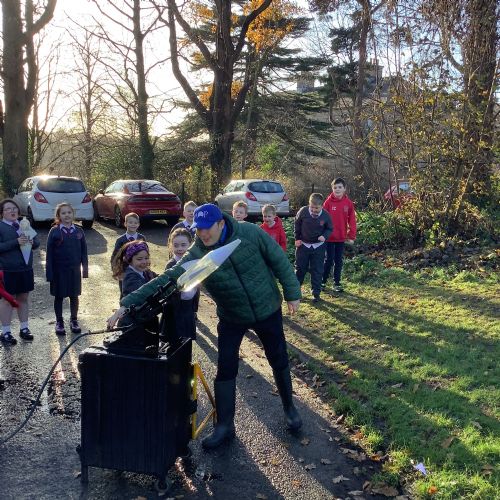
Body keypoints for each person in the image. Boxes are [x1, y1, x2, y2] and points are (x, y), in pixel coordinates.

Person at [107, 203, 302, 449]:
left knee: (278, 358)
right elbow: (168, 278)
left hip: (266, 307)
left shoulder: (250, 233)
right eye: (199, 229)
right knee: (226, 367)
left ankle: (290, 409)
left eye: (208, 228)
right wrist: (126, 305)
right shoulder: (197, 252)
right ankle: (225, 426)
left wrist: (292, 292)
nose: (203, 234)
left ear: (221, 223)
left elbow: (279, 260)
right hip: (232, 315)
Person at [0, 199, 40, 344]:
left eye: (14, 208)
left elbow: (37, 243)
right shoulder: (1, 227)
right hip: (7, 270)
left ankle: (24, 329)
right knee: (7, 300)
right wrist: (15, 242)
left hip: (25, 269)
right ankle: (5, 332)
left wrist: (32, 241)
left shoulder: (24, 224)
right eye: (8, 209)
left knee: (23, 298)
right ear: (2, 213)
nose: (12, 211)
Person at [46, 203, 88, 335]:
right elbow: (49, 254)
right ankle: (59, 322)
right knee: (59, 296)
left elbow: (84, 252)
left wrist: (85, 270)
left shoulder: (79, 231)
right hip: (58, 271)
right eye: (63, 213)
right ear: (58, 216)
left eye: (69, 212)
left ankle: (74, 320)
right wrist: (49, 273)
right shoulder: (54, 231)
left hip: (74, 271)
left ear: (73, 214)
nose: (67, 215)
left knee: (74, 296)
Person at [160, 227, 198, 342]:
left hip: (188, 307)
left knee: (186, 341)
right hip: (174, 309)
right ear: (171, 246)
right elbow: (168, 289)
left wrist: (194, 307)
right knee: (173, 341)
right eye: (176, 245)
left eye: (183, 245)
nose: (180, 248)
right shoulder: (171, 265)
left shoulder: (193, 262)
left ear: (190, 245)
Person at [294, 193, 333, 303]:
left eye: (316, 208)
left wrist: (324, 236)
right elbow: (297, 224)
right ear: (309, 204)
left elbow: (329, 228)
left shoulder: (326, 215)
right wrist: (297, 238)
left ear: (322, 206)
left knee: (317, 270)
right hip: (303, 245)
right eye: (312, 207)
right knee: (300, 269)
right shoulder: (303, 211)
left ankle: (316, 293)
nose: (314, 210)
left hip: (318, 247)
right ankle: (296, 292)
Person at [322, 178, 357, 292]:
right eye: (335, 187)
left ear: (344, 189)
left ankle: (336, 283)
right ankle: (323, 281)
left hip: (341, 237)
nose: (337, 189)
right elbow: (322, 218)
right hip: (329, 237)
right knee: (328, 260)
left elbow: (352, 220)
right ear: (332, 189)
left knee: (338, 261)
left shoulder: (348, 203)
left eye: (340, 187)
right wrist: (321, 233)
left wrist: (351, 236)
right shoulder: (328, 202)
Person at [111, 212, 146, 297]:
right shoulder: (120, 240)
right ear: (125, 224)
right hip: (124, 271)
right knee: (124, 293)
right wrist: (116, 271)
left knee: (139, 292)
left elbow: (146, 254)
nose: (133, 225)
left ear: (138, 224)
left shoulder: (141, 238)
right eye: (130, 222)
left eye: (135, 223)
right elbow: (115, 257)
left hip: (139, 270)